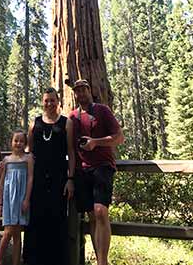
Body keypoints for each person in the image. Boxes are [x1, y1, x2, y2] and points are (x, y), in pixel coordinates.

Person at [69, 79, 124, 265]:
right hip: (82, 170)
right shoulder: (72, 117)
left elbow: (119, 137)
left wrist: (95, 142)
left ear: (89, 91)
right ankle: (99, 258)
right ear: (74, 94)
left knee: (101, 211)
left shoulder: (102, 110)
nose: (81, 93)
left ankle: (103, 261)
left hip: (102, 166)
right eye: (78, 91)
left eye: (84, 89)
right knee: (92, 215)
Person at [23, 87, 75, 265]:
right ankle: (33, 260)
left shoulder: (66, 123)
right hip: (36, 178)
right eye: (46, 100)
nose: (49, 104)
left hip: (58, 178)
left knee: (57, 218)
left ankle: (57, 260)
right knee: (36, 218)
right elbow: (28, 151)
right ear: (42, 102)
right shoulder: (35, 123)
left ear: (58, 101)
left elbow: (71, 152)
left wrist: (70, 179)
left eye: (52, 100)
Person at [0, 130, 34, 265]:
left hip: (21, 198)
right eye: (15, 140)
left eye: (21, 141)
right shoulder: (6, 160)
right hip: (8, 199)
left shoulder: (28, 158)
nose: (18, 143)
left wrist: (27, 199)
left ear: (25, 143)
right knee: (8, 231)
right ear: (11, 142)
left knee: (18, 234)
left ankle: (16, 262)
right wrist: (0, 203)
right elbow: (1, 183)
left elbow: (30, 178)